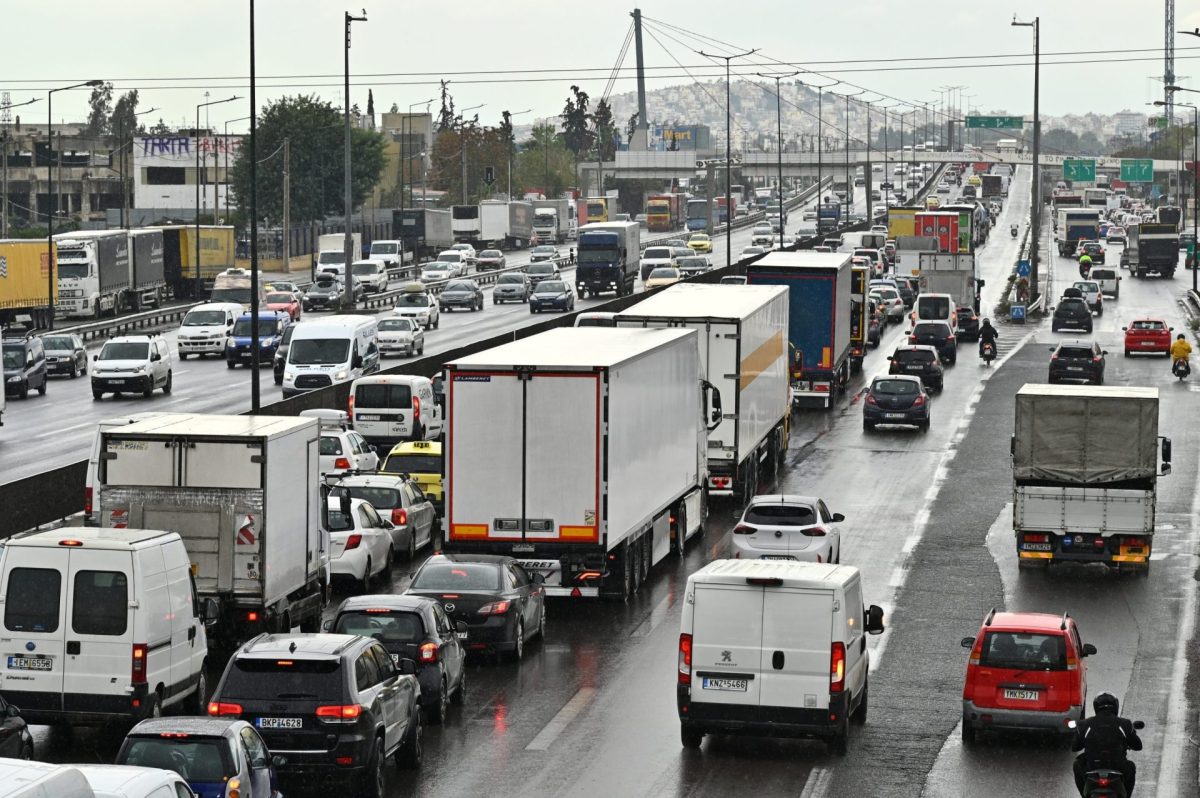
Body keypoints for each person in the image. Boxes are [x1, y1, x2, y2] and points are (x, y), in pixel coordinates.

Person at [1072, 692, 1142, 797]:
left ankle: (1084, 795)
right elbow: (1138, 746)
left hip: (1091, 767)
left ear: (1096, 707)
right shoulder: (1125, 724)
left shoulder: (1084, 724)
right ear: (1115, 706)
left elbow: (1075, 747)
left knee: (1076, 764)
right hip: (1118, 767)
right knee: (1131, 766)